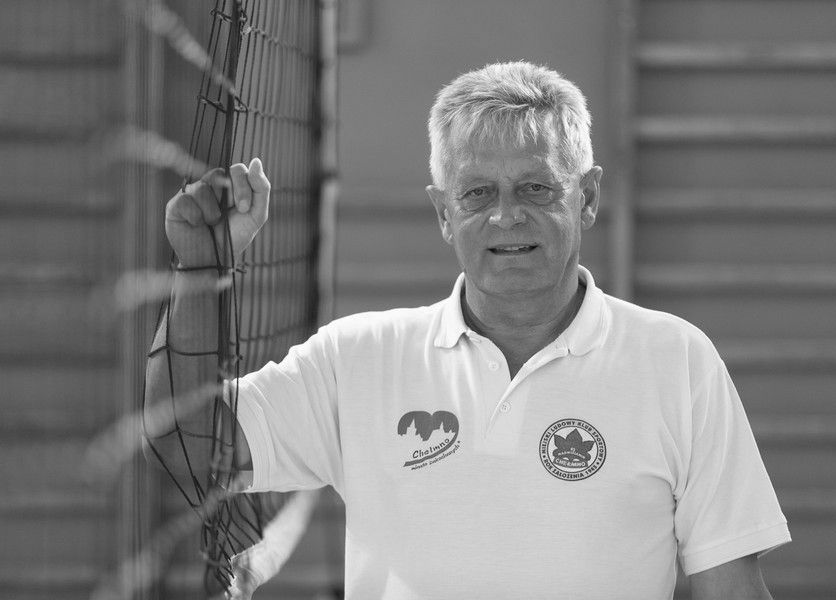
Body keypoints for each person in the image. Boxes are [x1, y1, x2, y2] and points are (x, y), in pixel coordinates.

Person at [145, 61, 791, 599]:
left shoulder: (676, 360)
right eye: (477, 193)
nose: (506, 216)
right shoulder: (358, 358)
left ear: (588, 198)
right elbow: (187, 452)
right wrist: (201, 268)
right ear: (443, 213)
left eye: (537, 188)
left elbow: (732, 588)